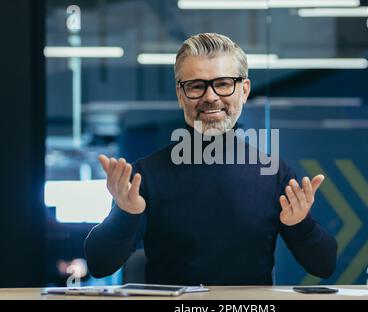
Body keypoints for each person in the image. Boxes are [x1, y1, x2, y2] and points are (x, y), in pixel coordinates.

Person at [84, 33, 337, 286]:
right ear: (180, 95)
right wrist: (126, 216)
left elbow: (324, 265)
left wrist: (301, 227)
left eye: (224, 83)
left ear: (244, 90)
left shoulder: (274, 175)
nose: (211, 97)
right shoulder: (144, 177)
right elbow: (99, 264)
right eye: (196, 86)